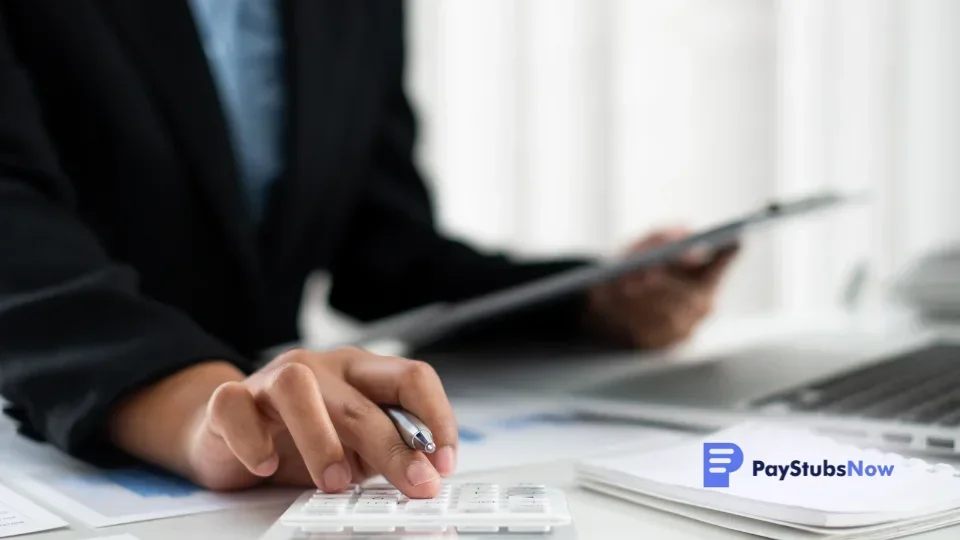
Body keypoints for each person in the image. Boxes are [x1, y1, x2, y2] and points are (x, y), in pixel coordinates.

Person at [0, 1, 736, 499]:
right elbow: (16, 236)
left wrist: (593, 302)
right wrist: (199, 407)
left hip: (281, 454)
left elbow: (383, 249)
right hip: (59, 449)